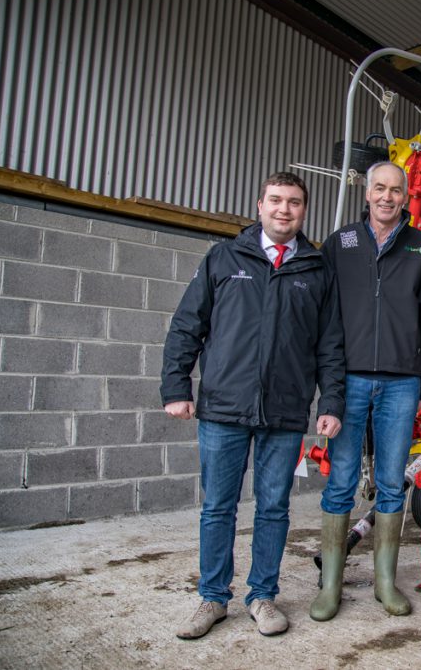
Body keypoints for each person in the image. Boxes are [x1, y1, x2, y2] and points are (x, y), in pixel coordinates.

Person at [160, 172, 345, 639]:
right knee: (218, 507)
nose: (285, 210)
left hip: (284, 410)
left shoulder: (317, 269)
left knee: (274, 508)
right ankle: (212, 598)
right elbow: (188, 324)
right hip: (224, 405)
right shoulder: (224, 257)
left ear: (305, 211)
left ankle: (262, 596)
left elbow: (330, 345)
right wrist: (176, 387)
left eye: (295, 203)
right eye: (276, 200)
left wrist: (332, 400)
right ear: (259, 205)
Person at [311, 161, 421, 621]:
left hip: (401, 382)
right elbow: (325, 317)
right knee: (341, 479)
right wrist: (329, 382)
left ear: (406, 197)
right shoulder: (340, 243)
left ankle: (385, 581)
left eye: (396, 190)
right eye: (379, 189)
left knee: (390, 481)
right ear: (367, 194)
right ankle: (331, 584)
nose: (387, 197)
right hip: (349, 379)